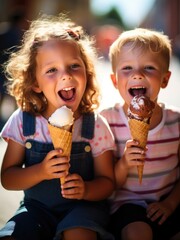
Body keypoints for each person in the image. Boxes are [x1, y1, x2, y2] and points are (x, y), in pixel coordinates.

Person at [0, 13, 115, 240]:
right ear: (34, 83)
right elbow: (8, 178)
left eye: (74, 66)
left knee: (79, 234)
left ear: (87, 73)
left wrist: (87, 189)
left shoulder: (95, 125)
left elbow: (108, 183)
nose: (65, 76)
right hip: (36, 209)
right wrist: (41, 171)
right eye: (52, 70)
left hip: (83, 208)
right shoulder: (24, 121)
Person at [101, 28, 180, 240]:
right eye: (127, 68)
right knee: (138, 234)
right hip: (126, 204)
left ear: (165, 79)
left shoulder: (177, 121)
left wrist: (170, 203)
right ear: (115, 80)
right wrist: (125, 164)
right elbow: (107, 183)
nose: (137, 74)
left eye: (149, 67)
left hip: (168, 200)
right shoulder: (107, 121)